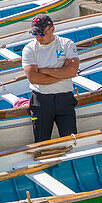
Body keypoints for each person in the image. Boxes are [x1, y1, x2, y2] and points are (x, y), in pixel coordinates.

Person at [22, 14, 80, 143]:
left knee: (70, 140)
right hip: (41, 100)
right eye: (35, 34)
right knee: (42, 143)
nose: (38, 38)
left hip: (64, 99)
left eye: (41, 34)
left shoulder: (66, 44)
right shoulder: (29, 49)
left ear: (52, 29)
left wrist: (44, 71)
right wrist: (61, 74)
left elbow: (72, 71)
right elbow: (34, 78)